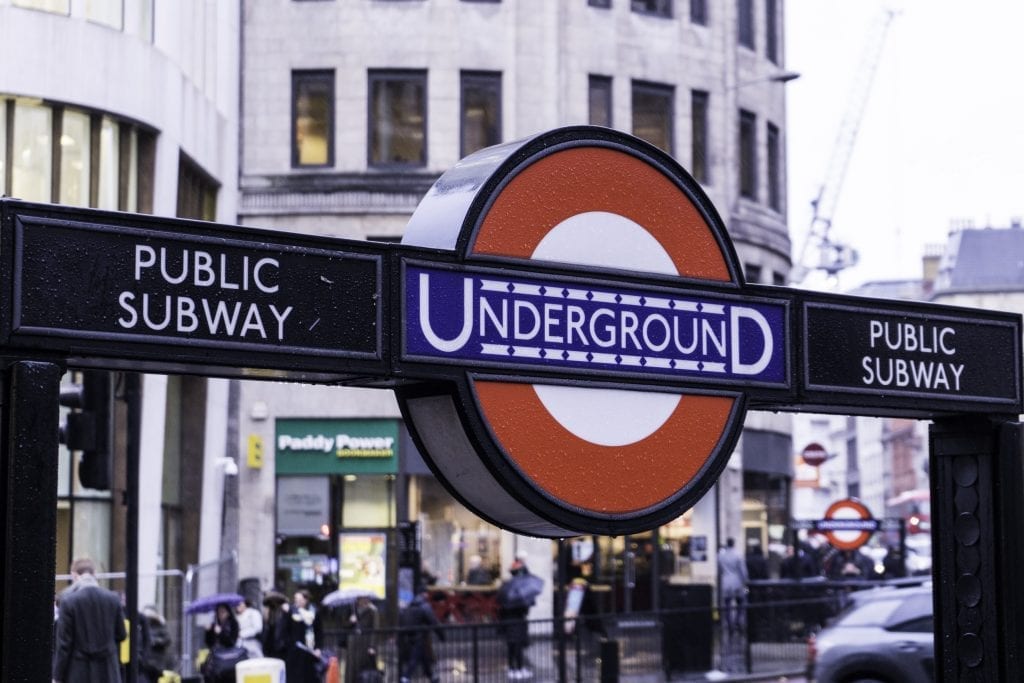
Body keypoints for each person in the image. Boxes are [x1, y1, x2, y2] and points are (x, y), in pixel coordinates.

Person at [52, 557, 127, 683]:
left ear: (74, 576)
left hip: (78, 672)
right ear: (95, 573)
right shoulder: (113, 599)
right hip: (107, 671)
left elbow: (64, 645)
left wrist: (57, 677)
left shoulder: (69, 602)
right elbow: (122, 634)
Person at [497, 559, 538, 679]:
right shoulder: (520, 588)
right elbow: (524, 609)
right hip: (517, 622)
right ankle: (518, 669)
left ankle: (512, 668)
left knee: (511, 646)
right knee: (517, 646)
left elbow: (501, 605)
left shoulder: (507, 586)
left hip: (508, 622)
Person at [398, 586, 444, 683]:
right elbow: (433, 621)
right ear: (424, 594)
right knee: (415, 658)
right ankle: (405, 677)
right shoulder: (424, 605)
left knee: (424, 657)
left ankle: (432, 676)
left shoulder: (410, 605)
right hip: (420, 636)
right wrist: (441, 635)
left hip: (408, 635)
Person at [283, 589, 324, 683]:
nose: (297, 602)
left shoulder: (314, 612)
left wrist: (318, 648)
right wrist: (289, 644)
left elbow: (319, 632)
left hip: (310, 650)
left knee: (309, 676)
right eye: (296, 599)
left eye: (300, 600)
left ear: (306, 600)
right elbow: (286, 630)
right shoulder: (291, 612)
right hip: (295, 650)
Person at [347, 595, 381, 683]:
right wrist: (350, 621)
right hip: (353, 643)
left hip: (365, 643)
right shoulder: (352, 609)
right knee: (352, 669)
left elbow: (375, 629)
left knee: (364, 669)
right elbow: (345, 626)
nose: (361, 600)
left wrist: (372, 646)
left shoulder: (373, 610)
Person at [718, 538, 748, 633]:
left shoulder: (721, 555)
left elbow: (719, 570)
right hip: (737, 582)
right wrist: (746, 581)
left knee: (727, 605)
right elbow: (743, 570)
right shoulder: (738, 554)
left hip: (725, 582)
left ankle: (729, 624)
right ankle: (737, 621)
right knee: (741, 602)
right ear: (734, 543)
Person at [140, 605, 174, 683]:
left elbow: (167, 640)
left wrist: (154, 641)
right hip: (146, 662)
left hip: (156, 663)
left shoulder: (160, 626)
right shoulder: (143, 627)